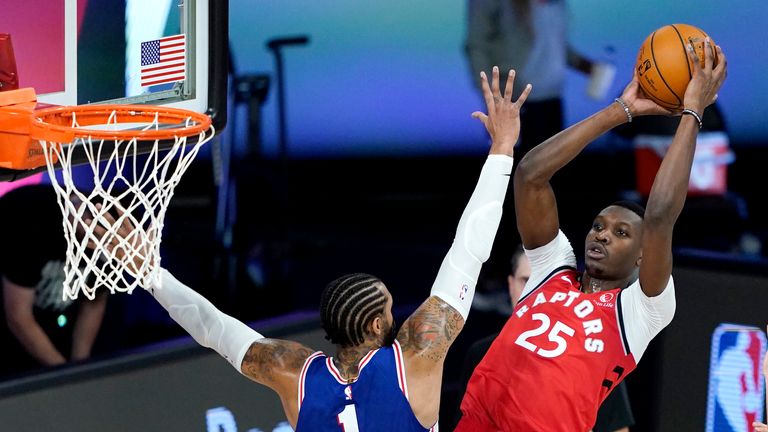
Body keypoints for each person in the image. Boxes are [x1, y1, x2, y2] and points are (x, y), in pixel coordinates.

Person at [89, 67, 531, 430]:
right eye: (392, 309)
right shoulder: (416, 355)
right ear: (379, 324)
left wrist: (151, 273)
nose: (399, 317)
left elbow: (214, 330)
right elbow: (468, 253)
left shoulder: (293, 371)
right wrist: (502, 150)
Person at [456, 38, 726, 431]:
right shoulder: (553, 269)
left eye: (620, 233)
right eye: (598, 226)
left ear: (642, 254)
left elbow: (661, 216)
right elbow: (531, 175)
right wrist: (620, 111)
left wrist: (692, 111)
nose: (601, 235)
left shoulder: (638, 311)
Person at [453, 246, 634, 431]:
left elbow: (617, 428)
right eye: (526, 281)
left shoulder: (594, 356)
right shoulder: (480, 353)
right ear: (510, 285)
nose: (535, 291)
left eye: (545, 284)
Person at [465, 0, 607, 158]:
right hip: (515, 102)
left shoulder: (557, 4)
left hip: (552, 98)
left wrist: (587, 66)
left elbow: (554, 43)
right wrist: (492, 99)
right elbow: (477, 46)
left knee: (550, 168)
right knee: (517, 170)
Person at [0, 184, 108, 378]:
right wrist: (64, 374)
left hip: (53, 320)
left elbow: (94, 303)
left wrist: (79, 367)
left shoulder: (110, 237)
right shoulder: (31, 225)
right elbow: (18, 316)